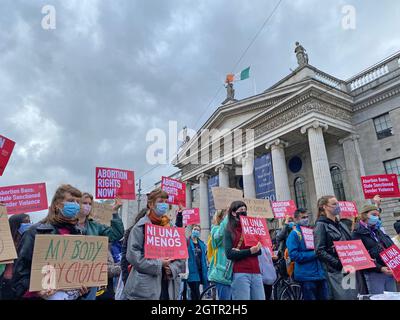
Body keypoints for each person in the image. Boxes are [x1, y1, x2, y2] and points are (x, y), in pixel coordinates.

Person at [12, 184, 89, 300]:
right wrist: (37, 290)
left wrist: (84, 289)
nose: (75, 205)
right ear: (58, 204)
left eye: (78, 202)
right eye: (71, 200)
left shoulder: (80, 233)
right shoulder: (35, 232)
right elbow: (19, 275)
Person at [123, 188, 185, 300]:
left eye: (166, 202)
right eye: (161, 201)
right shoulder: (140, 228)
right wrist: (159, 264)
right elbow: (133, 256)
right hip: (145, 289)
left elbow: (181, 257)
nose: (164, 205)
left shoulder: (171, 229)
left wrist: (172, 268)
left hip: (168, 288)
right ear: (151, 204)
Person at [314, 195, 357, 300]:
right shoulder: (321, 225)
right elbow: (319, 250)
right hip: (336, 270)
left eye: (338, 203)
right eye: (334, 204)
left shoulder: (341, 224)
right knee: (343, 297)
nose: (338, 206)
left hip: (349, 267)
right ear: (324, 207)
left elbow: (350, 242)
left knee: (353, 296)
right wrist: (337, 263)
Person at [352, 205, 397, 294]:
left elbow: (390, 247)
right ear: (365, 215)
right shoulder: (357, 233)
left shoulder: (378, 231)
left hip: (390, 271)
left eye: (377, 215)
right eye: (373, 214)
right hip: (374, 273)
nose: (376, 217)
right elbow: (360, 257)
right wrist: (380, 268)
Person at [225, 201, 265, 300]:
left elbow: (258, 251)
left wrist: (241, 252)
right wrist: (249, 251)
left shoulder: (252, 228)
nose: (244, 212)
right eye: (241, 210)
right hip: (240, 272)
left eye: (245, 209)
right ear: (234, 213)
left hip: (256, 272)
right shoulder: (229, 230)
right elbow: (229, 254)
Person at [286, 209, 328, 300]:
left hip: (320, 274)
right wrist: (314, 254)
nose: (306, 219)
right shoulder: (294, 234)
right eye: (303, 217)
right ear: (296, 219)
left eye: (307, 217)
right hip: (307, 276)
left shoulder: (313, 231)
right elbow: (294, 255)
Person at [0, 213, 32, 300]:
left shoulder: (30, 241)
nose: (29, 224)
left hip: (23, 283)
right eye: (25, 222)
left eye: (29, 221)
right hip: (7, 282)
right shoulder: (5, 243)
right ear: (16, 224)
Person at [208, 209, 232, 300]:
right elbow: (220, 235)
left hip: (234, 273)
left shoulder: (233, 230)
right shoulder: (215, 229)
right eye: (227, 216)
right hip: (222, 273)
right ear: (221, 218)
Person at [187, 224, 208, 300]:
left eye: (198, 230)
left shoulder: (202, 244)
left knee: (195, 291)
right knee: (195, 292)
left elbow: (204, 256)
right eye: (195, 229)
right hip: (192, 270)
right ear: (191, 230)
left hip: (200, 271)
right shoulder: (187, 242)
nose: (196, 231)